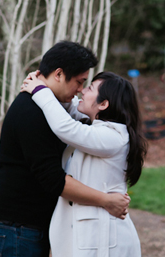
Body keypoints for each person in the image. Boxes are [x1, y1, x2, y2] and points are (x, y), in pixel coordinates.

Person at [0, 41, 131, 257]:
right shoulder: (31, 111)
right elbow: (54, 179)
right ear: (59, 74)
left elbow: (74, 123)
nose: (80, 89)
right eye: (79, 82)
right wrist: (107, 200)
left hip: (27, 225)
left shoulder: (49, 107)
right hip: (16, 226)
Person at [21, 70, 146, 257]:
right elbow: (66, 110)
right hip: (93, 237)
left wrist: (40, 89)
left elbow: (65, 127)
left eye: (90, 88)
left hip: (104, 241)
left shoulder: (113, 137)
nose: (82, 91)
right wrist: (47, 84)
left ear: (103, 104)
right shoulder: (97, 129)